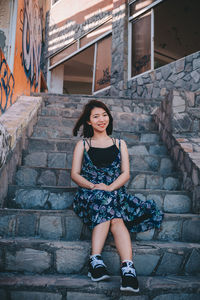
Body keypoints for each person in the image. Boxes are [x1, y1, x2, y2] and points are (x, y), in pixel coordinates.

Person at [71, 100, 163, 293]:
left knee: (115, 218)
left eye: (104, 115)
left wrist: (110, 188)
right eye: (96, 116)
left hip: (115, 192)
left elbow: (126, 174)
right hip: (90, 193)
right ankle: (125, 269)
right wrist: (95, 186)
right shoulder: (83, 144)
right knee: (113, 212)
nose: (101, 119)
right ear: (88, 121)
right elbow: (75, 174)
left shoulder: (120, 144)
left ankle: (105, 264)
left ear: (109, 118)